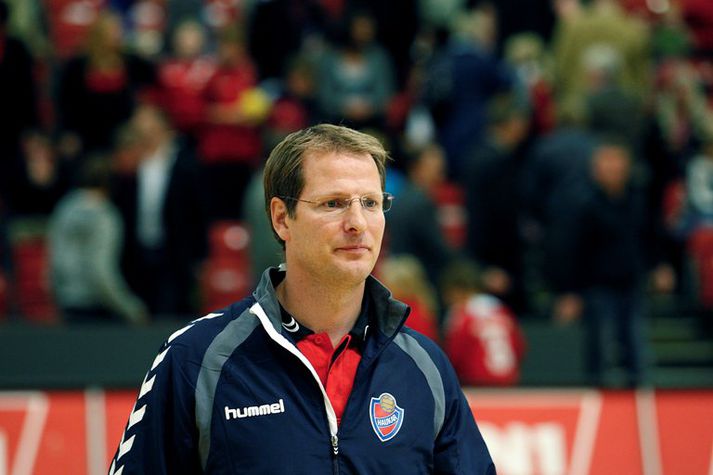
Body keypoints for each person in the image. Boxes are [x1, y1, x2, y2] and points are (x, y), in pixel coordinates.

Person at [109, 124, 495, 474]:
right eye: (333, 203)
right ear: (282, 218)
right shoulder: (196, 359)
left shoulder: (425, 367)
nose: (357, 223)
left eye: (371, 203)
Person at [48, 156, 148, 325]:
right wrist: (131, 308)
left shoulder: (64, 209)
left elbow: (53, 261)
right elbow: (101, 270)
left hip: (67, 303)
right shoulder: (106, 217)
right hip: (98, 308)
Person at [440, 260, 526, 387]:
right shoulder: (501, 310)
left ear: (457, 290)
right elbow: (519, 346)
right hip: (510, 383)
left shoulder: (462, 315)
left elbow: (454, 355)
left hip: (477, 384)